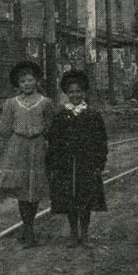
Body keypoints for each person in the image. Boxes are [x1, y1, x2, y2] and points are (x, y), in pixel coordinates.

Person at [0, 60, 57, 248]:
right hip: (18, 148)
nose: (27, 84)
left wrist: (43, 140)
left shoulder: (46, 103)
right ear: (18, 84)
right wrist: (15, 137)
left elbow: (51, 127)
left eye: (30, 80)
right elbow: (4, 130)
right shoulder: (11, 103)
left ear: (37, 81)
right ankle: (28, 228)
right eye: (23, 81)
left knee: (35, 188)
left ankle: (29, 226)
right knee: (22, 189)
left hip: (38, 147)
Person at [47, 70, 108, 247]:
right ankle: (73, 234)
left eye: (78, 92)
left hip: (86, 164)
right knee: (70, 201)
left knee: (85, 200)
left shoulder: (92, 115)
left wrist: (99, 163)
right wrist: (54, 164)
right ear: (66, 94)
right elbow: (54, 142)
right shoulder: (60, 117)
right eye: (71, 92)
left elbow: (101, 141)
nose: (75, 95)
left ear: (84, 93)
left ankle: (85, 234)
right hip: (66, 165)